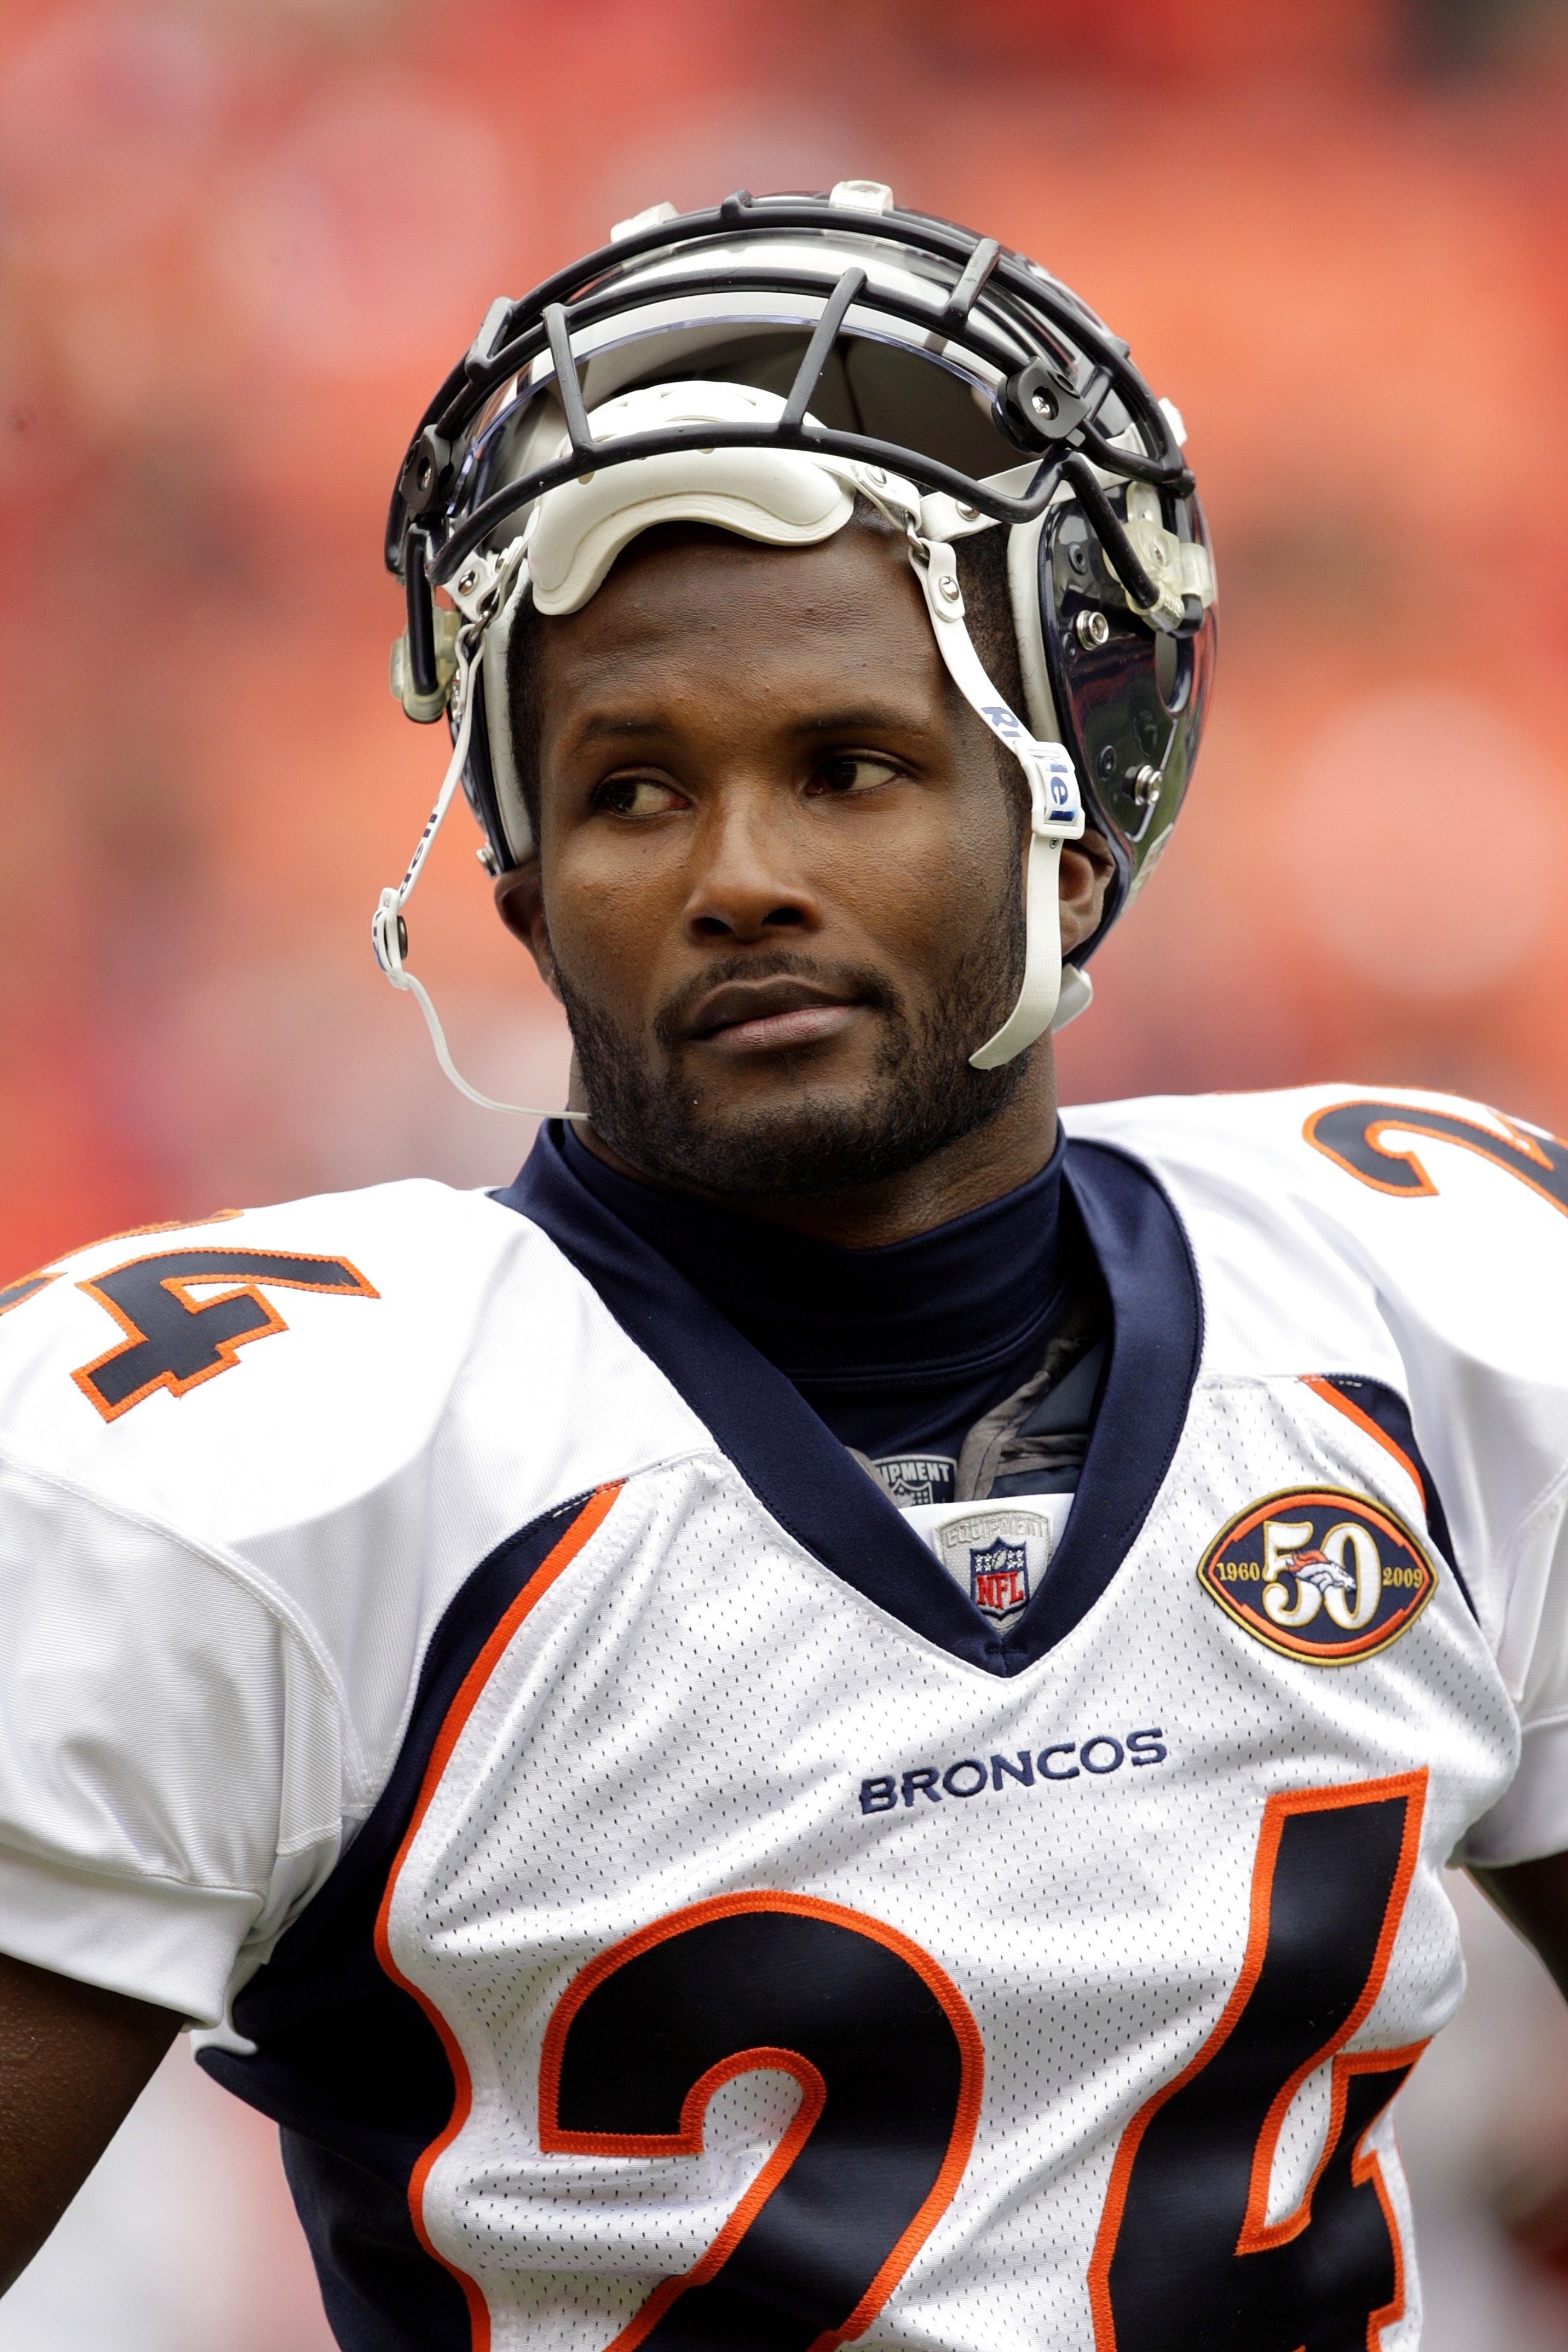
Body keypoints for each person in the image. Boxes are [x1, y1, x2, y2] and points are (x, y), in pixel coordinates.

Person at [0, 182, 1564, 2352]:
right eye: (635, 793)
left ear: (1071, 822)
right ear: (526, 890)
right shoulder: (271, 1471)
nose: (739, 879)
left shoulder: (1445, 1312)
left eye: (848, 770)